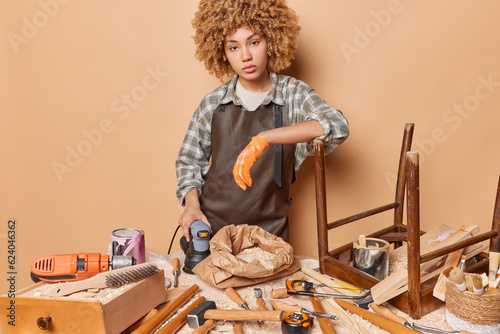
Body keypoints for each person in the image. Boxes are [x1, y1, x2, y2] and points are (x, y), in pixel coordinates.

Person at [175, 0, 349, 245]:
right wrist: (192, 206)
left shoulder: (292, 95)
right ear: (222, 53)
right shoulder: (213, 103)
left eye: (254, 42)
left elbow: (337, 125)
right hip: (213, 235)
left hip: (270, 239)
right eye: (233, 47)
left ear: (271, 40)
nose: (245, 55)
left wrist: (267, 138)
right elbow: (189, 163)